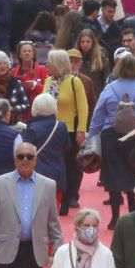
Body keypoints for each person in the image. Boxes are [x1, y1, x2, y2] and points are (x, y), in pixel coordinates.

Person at [92, 54, 135, 223]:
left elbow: (98, 114)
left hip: (111, 136)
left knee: (112, 176)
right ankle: (133, 214)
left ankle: (115, 217)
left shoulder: (109, 88)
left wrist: (91, 134)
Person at [44, 47, 93, 211]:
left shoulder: (74, 82)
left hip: (69, 129)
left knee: (70, 165)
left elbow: (83, 108)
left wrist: (81, 130)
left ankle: (67, 198)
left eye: (50, 63)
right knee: (53, 164)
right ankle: (55, 197)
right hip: (50, 128)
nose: (47, 66)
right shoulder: (48, 81)